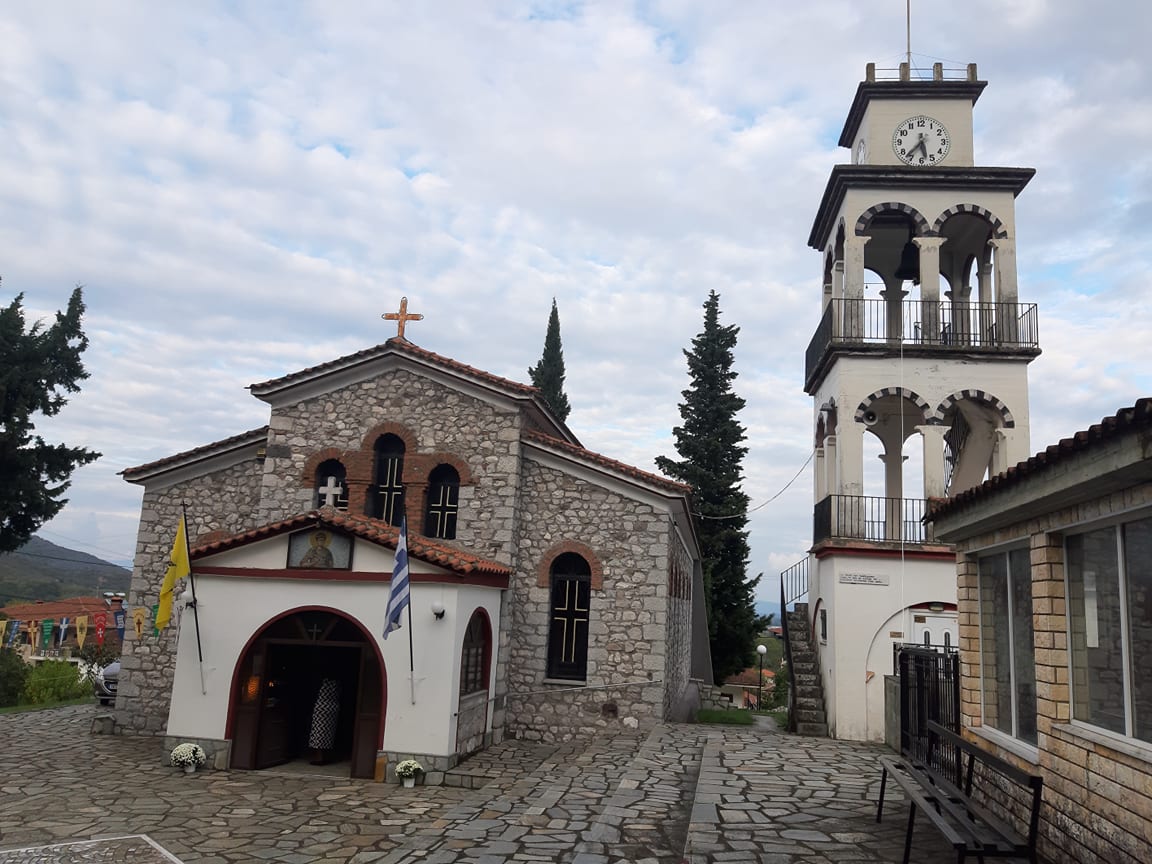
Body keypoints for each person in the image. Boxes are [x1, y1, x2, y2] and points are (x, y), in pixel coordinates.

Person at [308, 677, 341, 764]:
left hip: (321, 707)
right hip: (333, 707)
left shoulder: (321, 682)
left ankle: (319, 758)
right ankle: (326, 756)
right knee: (328, 734)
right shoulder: (337, 683)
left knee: (318, 734)